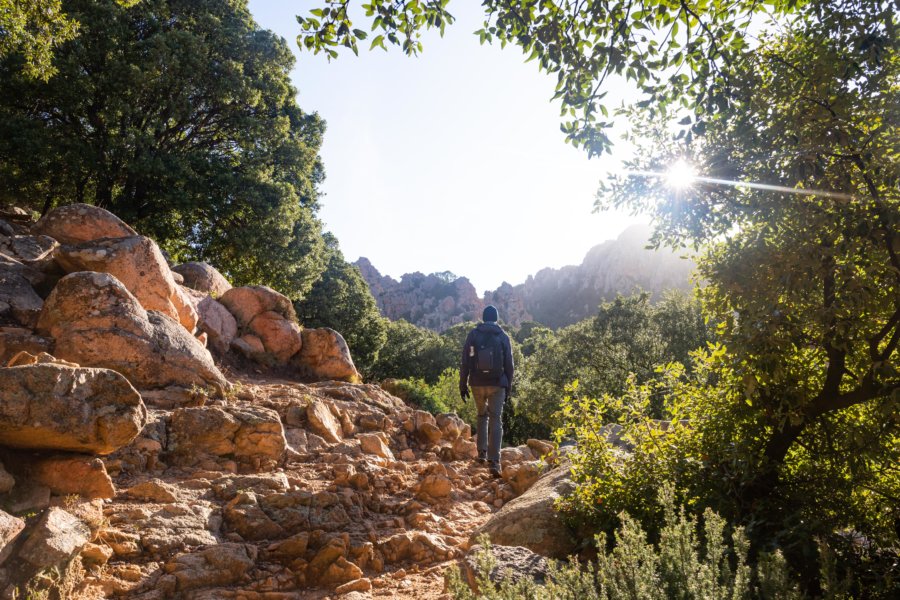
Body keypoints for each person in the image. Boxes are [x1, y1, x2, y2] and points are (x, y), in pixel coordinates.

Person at [459, 305, 514, 478]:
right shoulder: (503, 336)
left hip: (476, 383)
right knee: (496, 419)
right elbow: (509, 365)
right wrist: (509, 387)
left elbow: (465, 361)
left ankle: (481, 454)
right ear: (496, 318)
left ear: (483, 318)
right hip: (498, 384)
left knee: (482, 416)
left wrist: (463, 384)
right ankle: (495, 462)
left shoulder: (473, 334)